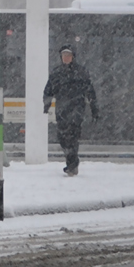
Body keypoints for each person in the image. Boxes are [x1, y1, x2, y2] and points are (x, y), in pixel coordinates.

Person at [42, 44, 99, 176]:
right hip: (62, 110)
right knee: (62, 137)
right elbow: (48, 90)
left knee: (72, 136)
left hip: (77, 108)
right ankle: (72, 161)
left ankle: (72, 165)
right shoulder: (56, 73)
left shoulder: (81, 72)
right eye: (64, 55)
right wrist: (47, 104)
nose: (66, 57)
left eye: (68, 55)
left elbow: (90, 91)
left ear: (73, 57)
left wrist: (94, 108)